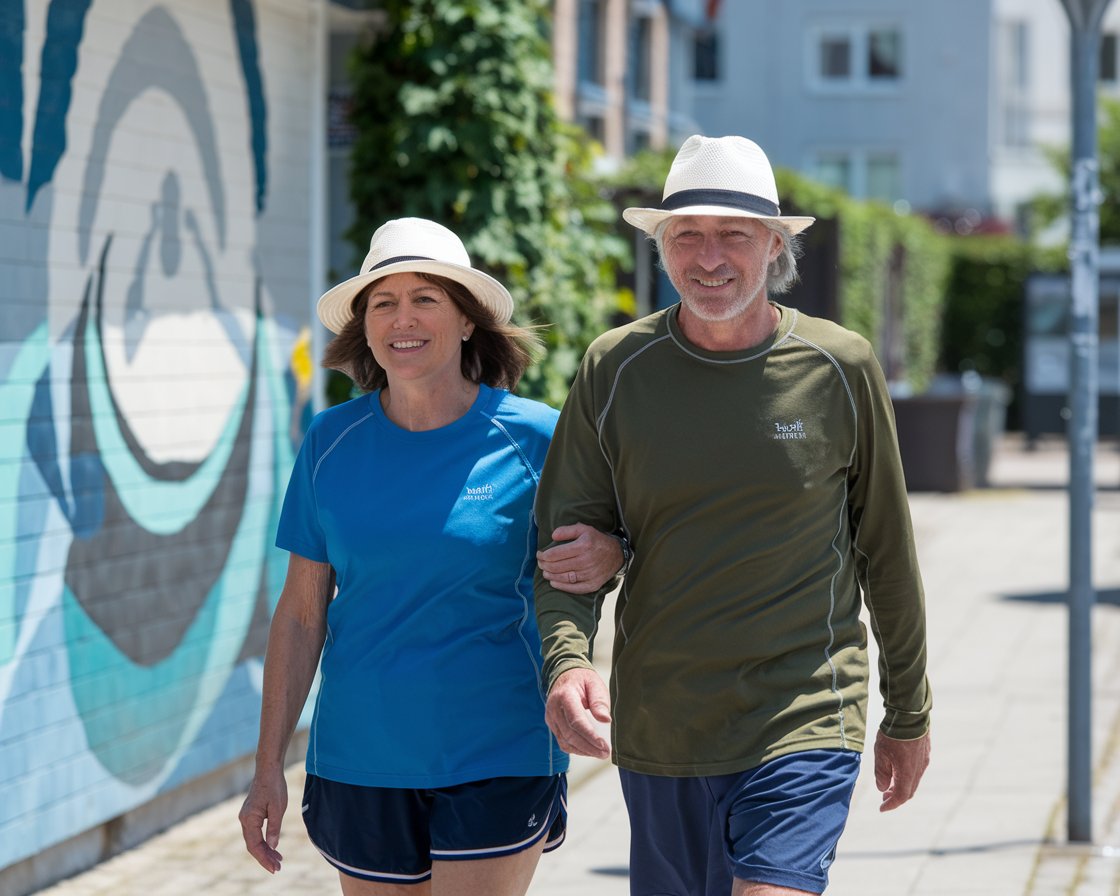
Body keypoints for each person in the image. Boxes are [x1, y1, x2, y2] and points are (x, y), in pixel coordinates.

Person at [534, 136, 933, 896]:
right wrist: (569, 661)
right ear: (660, 245)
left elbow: (886, 550)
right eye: (687, 234)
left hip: (806, 713)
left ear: (774, 246)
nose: (708, 256)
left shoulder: (838, 366)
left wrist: (908, 711)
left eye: (734, 235)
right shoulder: (614, 368)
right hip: (662, 724)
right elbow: (565, 544)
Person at [238, 217, 623, 895]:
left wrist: (614, 553)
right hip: (360, 756)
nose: (402, 319)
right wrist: (268, 765)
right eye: (383, 302)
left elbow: (603, 553)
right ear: (365, 326)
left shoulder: (537, 439)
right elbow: (301, 617)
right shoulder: (330, 442)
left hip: (499, 748)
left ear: (468, 321)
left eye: (426, 299)